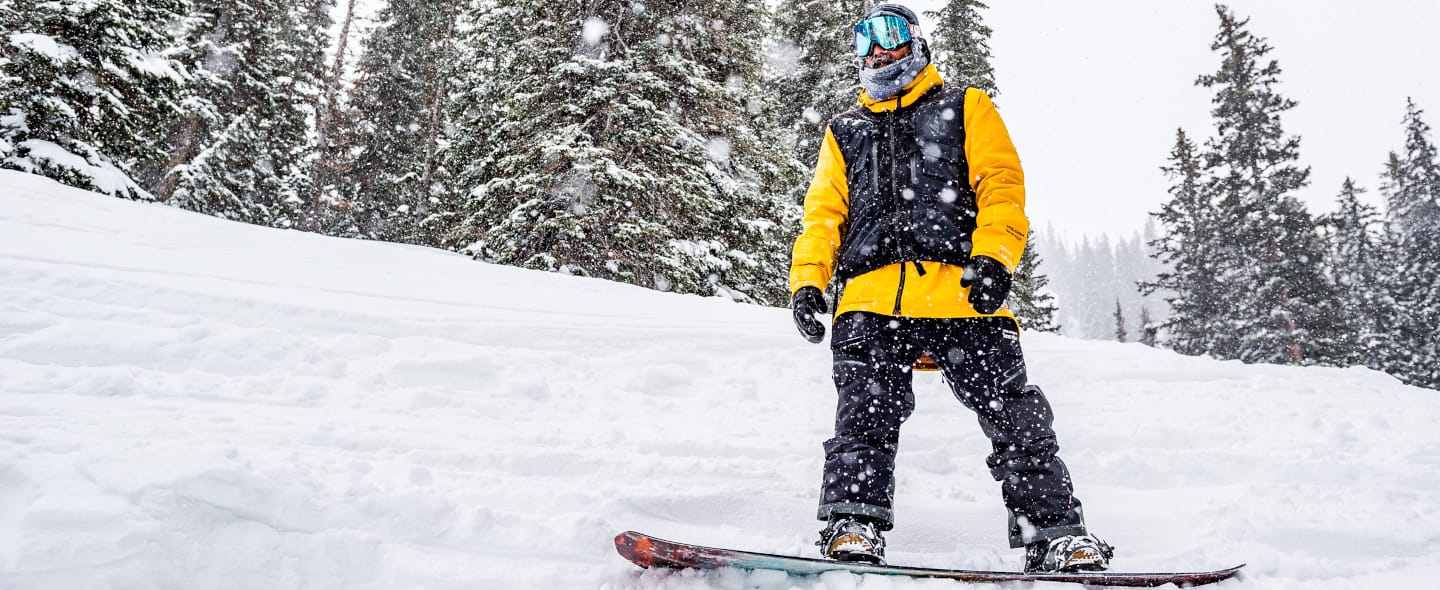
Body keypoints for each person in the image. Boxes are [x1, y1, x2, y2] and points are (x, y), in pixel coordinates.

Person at [787, 3, 1112, 573]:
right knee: (863, 415)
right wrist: (809, 282)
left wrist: (994, 258)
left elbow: (1002, 187)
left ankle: (1055, 533)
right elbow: (823, 217)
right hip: (869, 299)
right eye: (865, 40)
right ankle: (853, 525)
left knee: (1015, 414)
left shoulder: (964, 106)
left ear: (915, 42)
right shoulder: (846, 131)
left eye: (889, 35)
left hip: (961, 294)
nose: (877, 50)